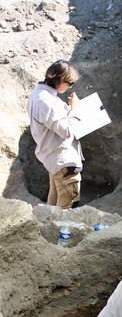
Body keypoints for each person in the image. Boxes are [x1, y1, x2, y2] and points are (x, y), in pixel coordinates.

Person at [27, 60, 84, 209]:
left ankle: (48, 231)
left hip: (54, 160)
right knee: (68, 209)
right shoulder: (46, 102)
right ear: (60, 80)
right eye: (70, 83)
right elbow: (65, 130)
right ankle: (59, 232)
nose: (70, 87)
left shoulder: (38, 94)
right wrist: (75, 110)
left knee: (52, 207)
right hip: (63, 160)